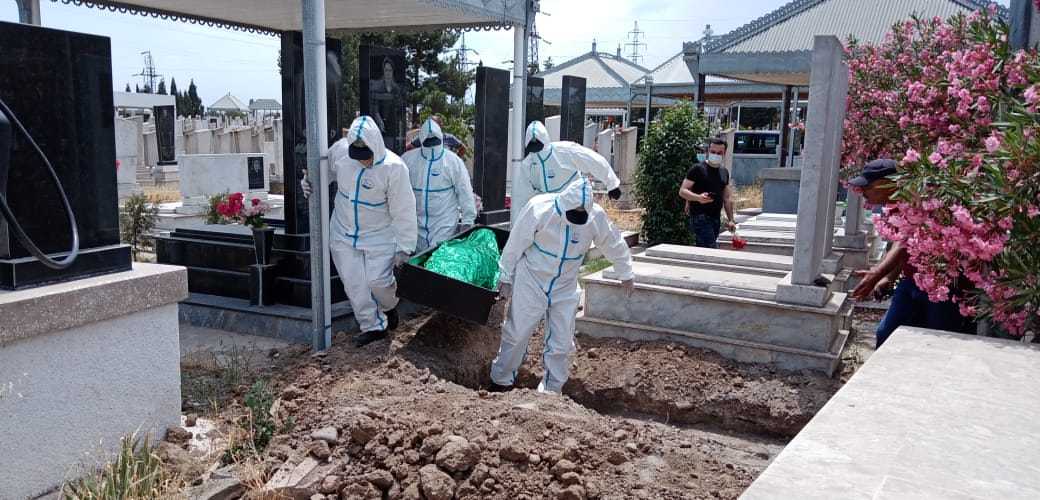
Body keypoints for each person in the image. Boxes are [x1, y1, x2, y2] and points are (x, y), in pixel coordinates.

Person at [489, 179, 635, 394]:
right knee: (517, 333)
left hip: (565, 284)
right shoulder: (539, 208)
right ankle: (500, 382)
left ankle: (551, 392)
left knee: (561, 343)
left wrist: (626, 272)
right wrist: (505, 276)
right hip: (533, 278)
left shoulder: (595, 216)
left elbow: (612, 241)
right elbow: (516, 242)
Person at [301, 115, 417, 347]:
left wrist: (405, 248)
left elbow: (404, 210)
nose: (363, 161)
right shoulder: (341, 152)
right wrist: (310, 181)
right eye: (358, 157)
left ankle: (389, 306)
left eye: (367, 157)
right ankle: (373, 326)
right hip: (343, 231)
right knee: (354, 283)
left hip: (379, 234)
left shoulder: (394, 168)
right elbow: (324, 172)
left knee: (378, 282)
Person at [848, 159, 971, 348]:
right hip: (911, 281)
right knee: (886, 334)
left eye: (866, 187)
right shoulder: (895, 207)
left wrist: (877, 273)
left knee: (937, 341)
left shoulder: (920, 200)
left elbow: (904, 241)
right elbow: (905, 246)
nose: (862, 193)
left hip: (943, 285)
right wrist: (889, 278)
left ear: (883, 184)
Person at [401, 117, 478, 252]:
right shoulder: (408, 160)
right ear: (421, 140)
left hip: (444, 224)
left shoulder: (453, 162)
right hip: (415, 226)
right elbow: (398, 192)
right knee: (418, 265)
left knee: (437, 262)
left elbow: (464, 191)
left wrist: (467, 221)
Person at [523, 120, 622, 198]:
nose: (536, 150)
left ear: (545, 140)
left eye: (538, 144)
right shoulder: (528, 163)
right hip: (547, 208)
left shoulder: (565, 151)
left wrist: (612, 184)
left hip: (573, 201)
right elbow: (522, 192)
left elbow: (593, 160)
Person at [679, 138, 735, 248]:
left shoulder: (724, 172)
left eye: (719, 153)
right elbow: (682, 191)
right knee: (711, 249)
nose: (716, 155)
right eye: (713, 152)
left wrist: (731, 220)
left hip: (715, 218)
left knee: (704, 251)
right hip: (700, 217)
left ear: (724, 153)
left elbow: (727, 198)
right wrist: (698, 198)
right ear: (708, 151)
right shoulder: (698, 169)